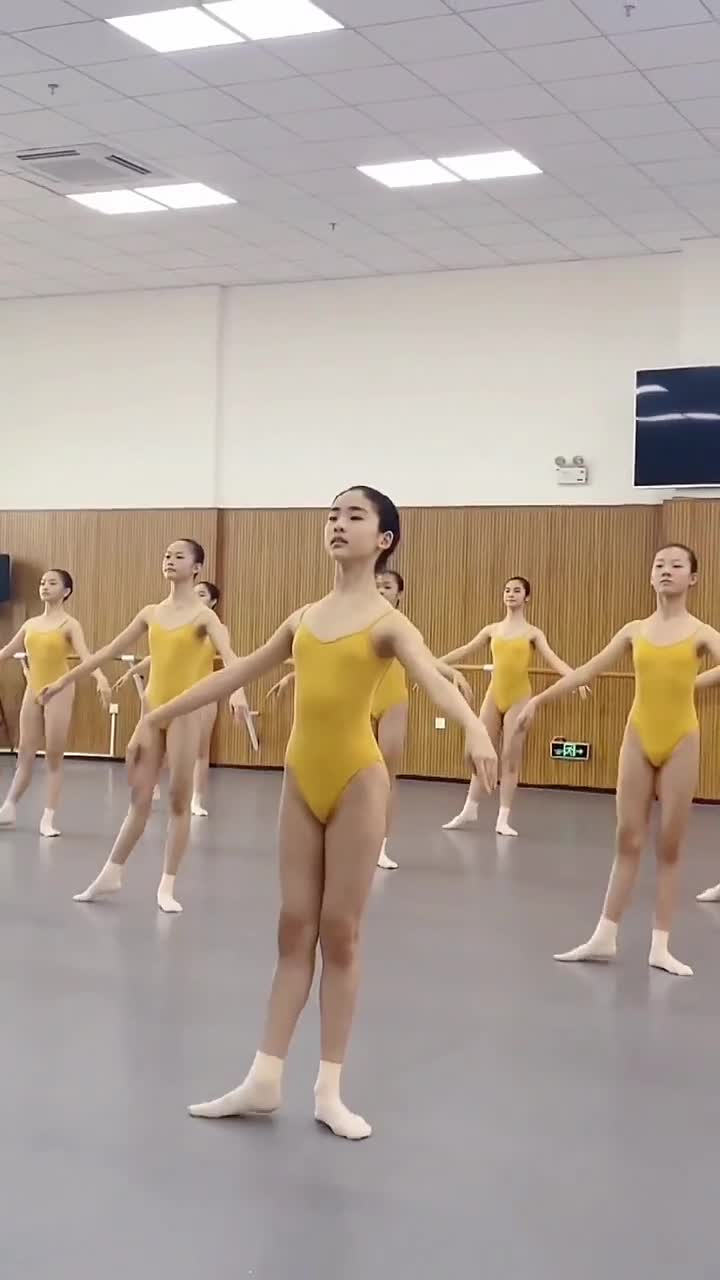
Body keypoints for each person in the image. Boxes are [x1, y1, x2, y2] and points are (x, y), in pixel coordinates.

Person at [129, 487, 497, 1139]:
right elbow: (234, 673)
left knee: (340, 932)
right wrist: (155, 716)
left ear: (383, 539)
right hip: (300, 781)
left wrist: (474, 727)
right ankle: (264, 1078)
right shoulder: (303, 619)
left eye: (355, 515)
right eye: (332, 514)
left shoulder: (387, 622)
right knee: (293, 927)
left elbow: (432, 678)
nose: (338, 523)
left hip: (358, 782)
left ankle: (329, 1090)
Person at [515, 544, 720, 978]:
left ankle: (660, 946)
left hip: (681, 741)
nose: (666, 570)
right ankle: (604, 937)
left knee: (669, 845)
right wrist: (538, 699)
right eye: (659, 565)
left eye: (677, 565)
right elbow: (587, 670)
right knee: (627, 839)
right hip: (638, 738)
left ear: (693, 578)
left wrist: (693, 683)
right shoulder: (634, 631)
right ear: (651, 575)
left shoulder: (701, 633)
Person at [40, 540, 244, 913]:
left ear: (196, 568)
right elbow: (107, 651)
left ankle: (167, 885)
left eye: (179, 556)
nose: (170, 560)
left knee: (179, 799)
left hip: (185, 713)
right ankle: (111, 873)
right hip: (151, 713)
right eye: (167, 555)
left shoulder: (205, 618)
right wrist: (62, 681)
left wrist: (238, 693)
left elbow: (230, 657)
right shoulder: (151, 613)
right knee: (139, 798)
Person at [268, 569, 472, 871]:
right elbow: (330, 658)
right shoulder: (356, 624)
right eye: (377, 585)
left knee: (387, 770)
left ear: (399, 594)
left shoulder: (398, 626)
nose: (381, 590)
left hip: (392, 698)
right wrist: (292, 676)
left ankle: (381, 845)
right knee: (349, 769)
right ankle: (341, 835)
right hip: (359, 699)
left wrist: (451, 672)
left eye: (387, 586)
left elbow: (425, 659)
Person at [440, 577, 587, 836]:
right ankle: (469, 809)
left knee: (509, 757)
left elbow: (553, 659)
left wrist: (576, 678)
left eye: (517, 591)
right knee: (481, 751)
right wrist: (432, 664)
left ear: (526, 597)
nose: (510, 594)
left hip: (519, 699)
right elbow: (464, 649)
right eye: (507, 590)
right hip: (493, 696)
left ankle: (503, 818)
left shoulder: (533, 633)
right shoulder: (492, 630)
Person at [0, 569, 110, 837]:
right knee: (25, 752)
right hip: (33, 690)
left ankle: (48, 817)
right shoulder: (30, 624)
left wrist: (100, 678)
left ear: (66, 591)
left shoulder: (70, 624)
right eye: (42, 582)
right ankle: (9, 807)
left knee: (53, 754)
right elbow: (6, 652)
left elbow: (86, 656)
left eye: (52, 583)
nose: (45, 586)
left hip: (59, 691)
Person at [114, 580, 236, 817]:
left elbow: (228, 657)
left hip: (202, 694)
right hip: (170, 693)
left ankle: (196, 799)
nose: (196, 597)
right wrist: (131, 671)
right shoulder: (177, 622)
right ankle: (152, 784)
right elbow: (157, 656)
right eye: (195, 592)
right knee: (155, 744)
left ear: (213, 602)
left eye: (202, 594)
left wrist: (236, 691)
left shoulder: (217, 627)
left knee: (201, 750)